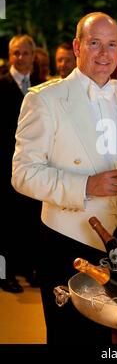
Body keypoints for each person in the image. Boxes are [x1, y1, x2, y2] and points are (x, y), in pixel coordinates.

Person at [11, 12, 117, 344]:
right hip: (67, 240)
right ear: (77, 46)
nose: (103, 53)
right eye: (94, 43)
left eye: (111, 45)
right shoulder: (44, 99)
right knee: (70, 339)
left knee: (110, 340)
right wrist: (85, 186)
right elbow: (22, 174)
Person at [0, 34, 41, 293]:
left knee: (28, 220)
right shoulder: (1, 85)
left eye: (25, 53)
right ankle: (6, 274)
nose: (21, 58)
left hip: (33, 165)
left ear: (33, 56)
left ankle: (28, 268)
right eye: (16, 53)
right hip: (5, 165)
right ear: (10, 55)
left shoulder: (40, 87)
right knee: (5, 222)